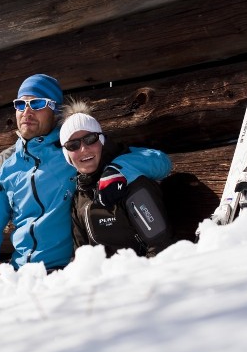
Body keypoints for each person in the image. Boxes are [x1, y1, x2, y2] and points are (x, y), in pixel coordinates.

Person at [0, 75, 172, 276]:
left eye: (37, 103)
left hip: (64, 272)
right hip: (21, 273)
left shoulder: (75, 147)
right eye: (20, 105)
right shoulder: (3, 166)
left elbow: (158, 161)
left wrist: (117, 169)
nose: (27, 111)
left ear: (55, 109)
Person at [61, 99, 174, 258]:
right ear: (68, 156)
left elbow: (160, 248)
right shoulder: (79, 197)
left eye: (90, 139)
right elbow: (82, 259)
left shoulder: (132, 182)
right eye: (73, 145)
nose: (84, 149)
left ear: (101, 141)